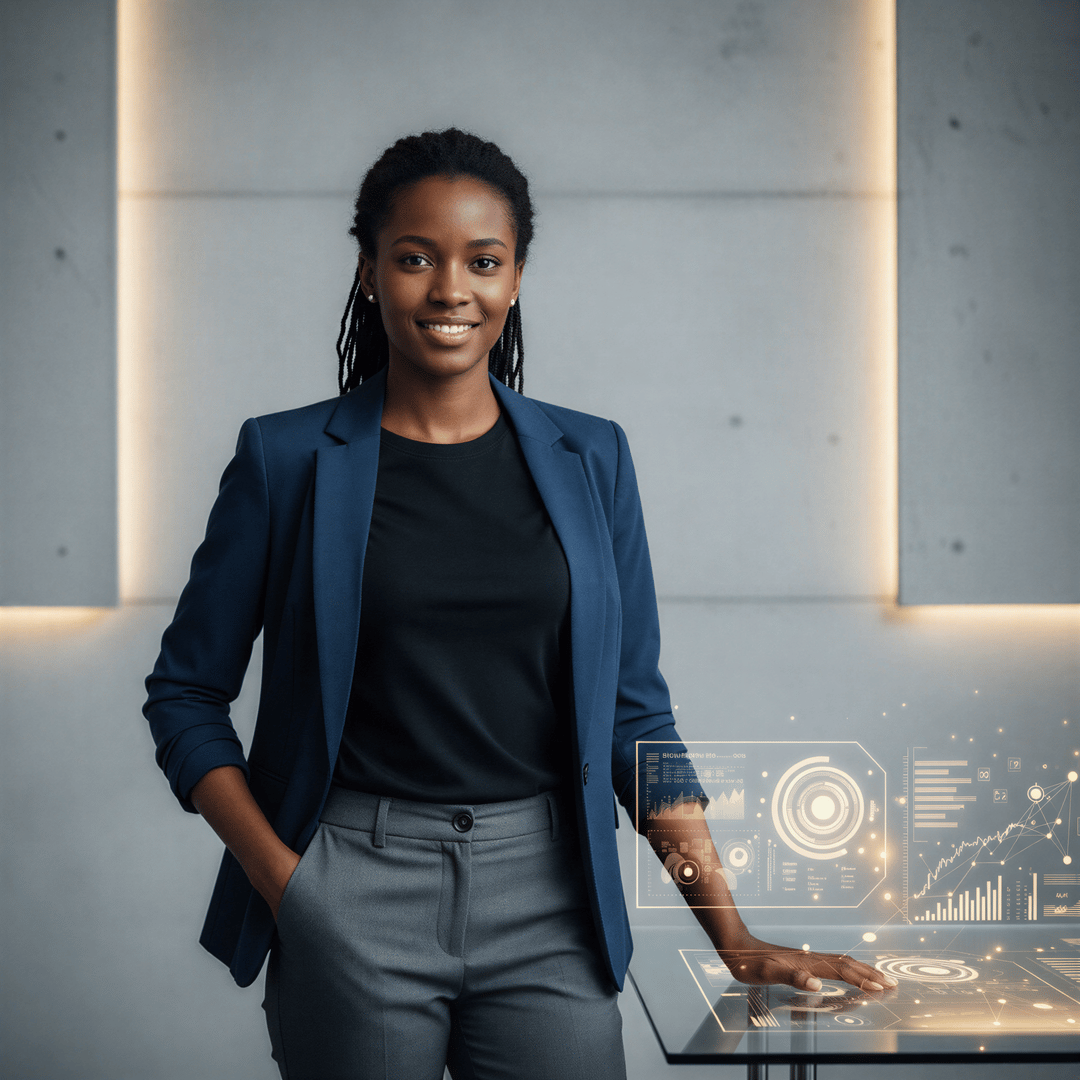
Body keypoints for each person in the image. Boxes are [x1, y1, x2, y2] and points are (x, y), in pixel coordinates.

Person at [144, 128, 892, 1080]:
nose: (451, 289)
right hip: (353, 882)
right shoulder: (284, 460)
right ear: (370, 274)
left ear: (517, 278)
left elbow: (633, 713)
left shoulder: (593, 458)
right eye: (415, 258)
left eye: (483, 261)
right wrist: (287, 885)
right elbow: (185, 696)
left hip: (551, 890)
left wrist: (732, 936)